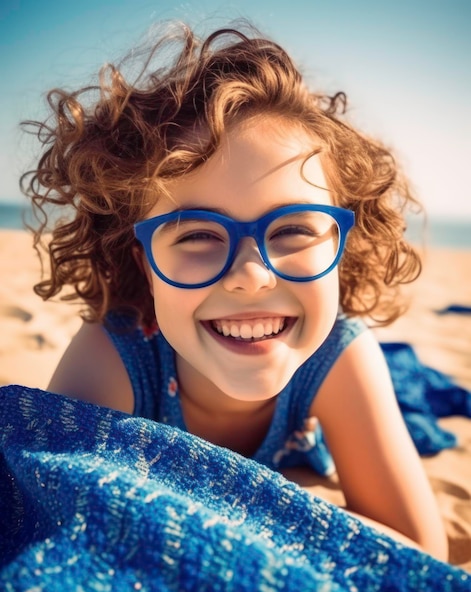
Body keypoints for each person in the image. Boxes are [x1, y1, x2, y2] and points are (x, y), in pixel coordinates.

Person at [22, 21, 447, 560]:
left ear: (342, 243)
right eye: (198, 234)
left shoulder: (339, 356)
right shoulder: (116, 355)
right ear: (144, 264)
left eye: (293, 228)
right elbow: (44, 518)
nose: (251, 274)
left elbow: (420, 553)